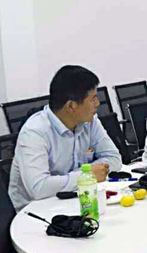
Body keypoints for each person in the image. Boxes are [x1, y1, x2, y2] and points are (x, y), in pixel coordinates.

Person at [9, 65, 123, 212]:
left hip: (75, 199)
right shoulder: (35, 132)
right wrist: (86, 175)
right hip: (36, 211)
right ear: (71, 106)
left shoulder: (89, 121)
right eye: (93, 99)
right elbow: (38, 188)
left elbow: (114, 158)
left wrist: (79, 177)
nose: (98, 103)